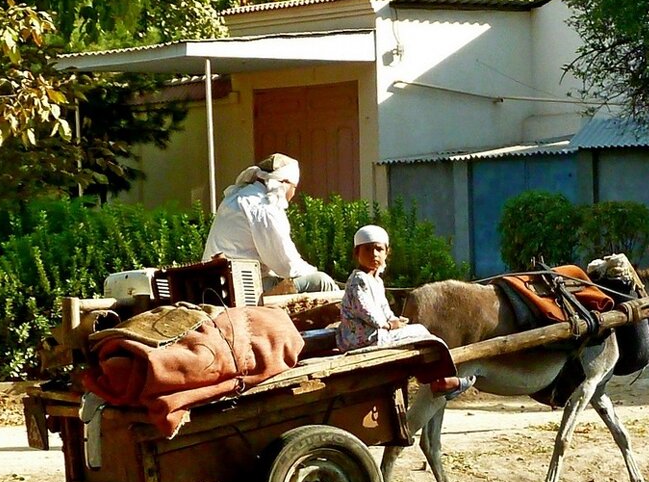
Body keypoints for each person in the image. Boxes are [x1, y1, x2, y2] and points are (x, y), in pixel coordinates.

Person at [336, 224, 474, 400]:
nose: (374, 254)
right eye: (368, 249)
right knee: (424, 335)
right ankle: (442, 381)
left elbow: (383, 308)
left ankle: (438, 379)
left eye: (379, 249)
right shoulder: (358, 280)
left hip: (374, 333)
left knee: (417, 332)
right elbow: (366, 311)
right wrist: (388, 325)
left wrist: (395, 320)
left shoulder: (375, 280)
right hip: (363, 338)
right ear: (357, 253)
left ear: (387, 253)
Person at [202, 153, 339, 293]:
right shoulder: (264, 207)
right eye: (294, 188)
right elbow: (286, 265)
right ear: (284, 183)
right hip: (241, 289)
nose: (293, 194)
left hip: (215, 282)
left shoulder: (235, 197)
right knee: (322, 282)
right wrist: (315, 273)